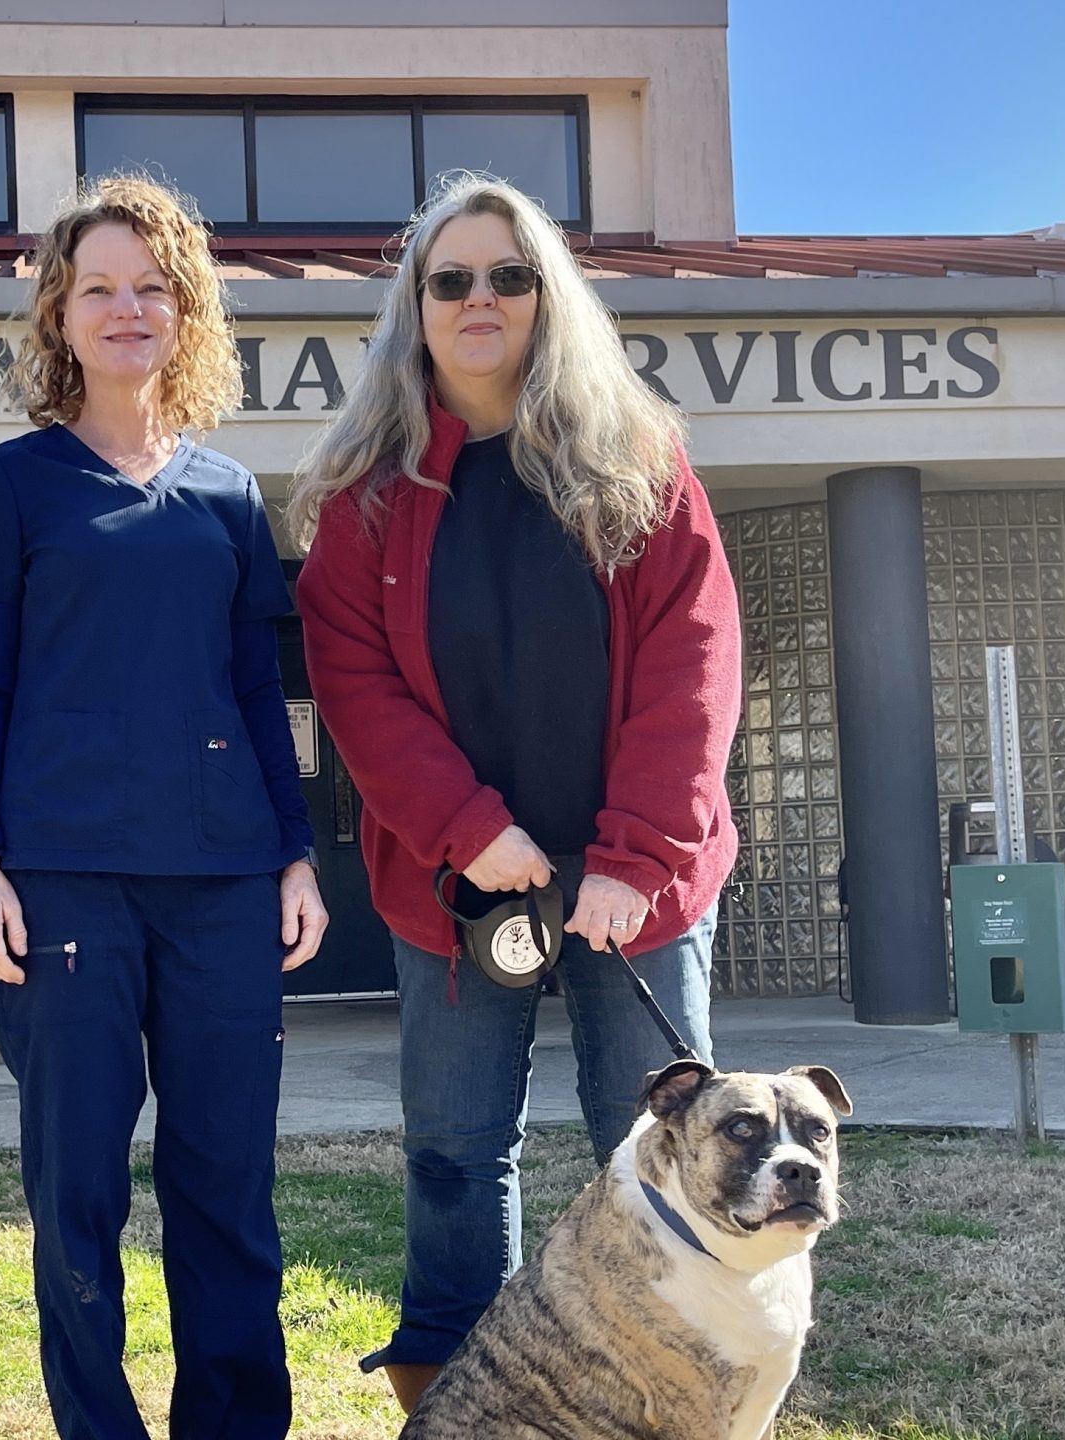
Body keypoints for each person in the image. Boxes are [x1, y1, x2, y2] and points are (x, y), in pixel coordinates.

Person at [289, 173, 741, 1417]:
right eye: (450, 280)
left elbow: (693, 663)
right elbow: (356, 686)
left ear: (550, 294)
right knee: (453, 1148)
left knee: (651, 1148)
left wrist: (637, 853)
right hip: (455, 887)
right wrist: (469, 828)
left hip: (627, 889)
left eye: (509, 275)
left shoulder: (638, 462)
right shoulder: (365, 494)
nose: (478, 299)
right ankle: (460, 1397)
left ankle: (661, 1383)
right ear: (414, 307)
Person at [0, 173, 329, 1440]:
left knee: (227, 1189)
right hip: (62, 886)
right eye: (97, 288)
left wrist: (293, 853)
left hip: (222, 886)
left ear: (186, 312)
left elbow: (255, 688)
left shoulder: (224, 492)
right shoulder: (11, 485)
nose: (124, 309)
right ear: (59, 314)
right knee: (78, 1191)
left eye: (150, 288)